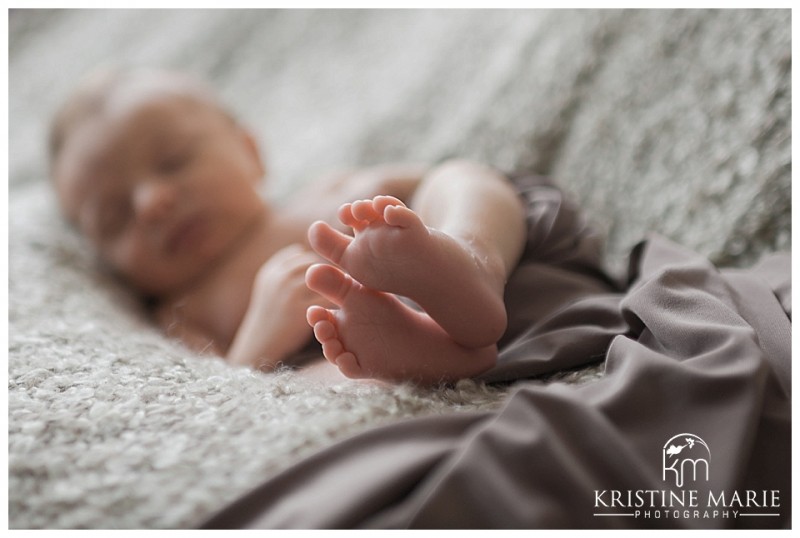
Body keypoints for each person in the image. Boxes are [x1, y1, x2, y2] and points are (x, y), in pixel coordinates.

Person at [49, 68, 527, 385]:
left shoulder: (325, 190)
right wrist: (258, 339)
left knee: (462, 178)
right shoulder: (183, 312)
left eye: (174, 161)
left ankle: (468, 264)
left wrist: (412, 210)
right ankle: (417, 357)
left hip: (434, 269)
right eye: (115, 217)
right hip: (348, 353)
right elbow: (209, 390)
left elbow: (428, 183)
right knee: (320, 379)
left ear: (251, 152)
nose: (152, 203)